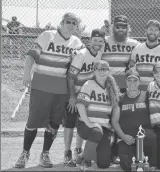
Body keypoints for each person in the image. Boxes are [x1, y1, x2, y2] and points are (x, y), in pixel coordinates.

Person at [14, 12, 84, 168]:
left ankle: (45, 154)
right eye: (68, 21)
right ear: (61, 22)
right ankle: (24, 153)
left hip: (61, 91)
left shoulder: (77, 43)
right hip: (41, 87)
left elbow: (80, 62)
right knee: (32, 121)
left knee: (54, 123)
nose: (71, 25)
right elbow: (31, 55)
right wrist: (26, 73)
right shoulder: (47, 35)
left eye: (74, 22)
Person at [63, 29, 106, 166]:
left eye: (100, 41)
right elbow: (70, 76)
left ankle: (78, 150)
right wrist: (72, 97)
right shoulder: (81, 54)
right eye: (95, 40)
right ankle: (67, 152)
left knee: (82, 122)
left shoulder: (99, 54)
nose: (97, 43)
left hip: (87, 95)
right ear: (90, 40)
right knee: (70, 123)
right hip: (74, 94)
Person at [102, 15, 141, 163]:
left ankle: (119, 150)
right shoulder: (104, 41)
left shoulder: (134, 44)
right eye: (117, 26)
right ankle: (107, 150)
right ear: (113, 27)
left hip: (125, 86)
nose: (120, 29)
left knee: (121, 119)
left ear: (127, 28)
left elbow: (144, 52)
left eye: (123, 27)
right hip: (107, 85)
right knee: (107, 118)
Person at [76, 60, 120, 171]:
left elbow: (115, 110)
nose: (102, 71)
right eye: (99, 69)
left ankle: (83, 155)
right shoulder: (89, 84)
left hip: (104, 128)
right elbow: (80, 106)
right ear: (94, 71)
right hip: (85, 125)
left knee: (104, 164)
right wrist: (89, 123)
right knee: (96, 132)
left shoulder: (112, 88)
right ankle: (86, 161)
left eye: (105, 69)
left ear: (108, 71)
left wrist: (112, 129)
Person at [111, 69, 157, 171]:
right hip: (126, 138)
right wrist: (123, 136)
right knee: (128, 166)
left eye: (135, 80)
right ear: (125, 82)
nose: (132, 83)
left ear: (139, 81)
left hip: (144, 137)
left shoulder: (146, 96)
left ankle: (151, 159)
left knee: (151, 139)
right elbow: (114, 121)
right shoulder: (120, 98)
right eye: (129, 80)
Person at [129, 20, 160, 91]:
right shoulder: (137, 48)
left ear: (159, 33)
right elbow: (132, 70)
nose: (153, 32)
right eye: (150, 29)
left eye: (156, 30)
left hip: (158, 92)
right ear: (146, 30)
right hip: (140, 90)